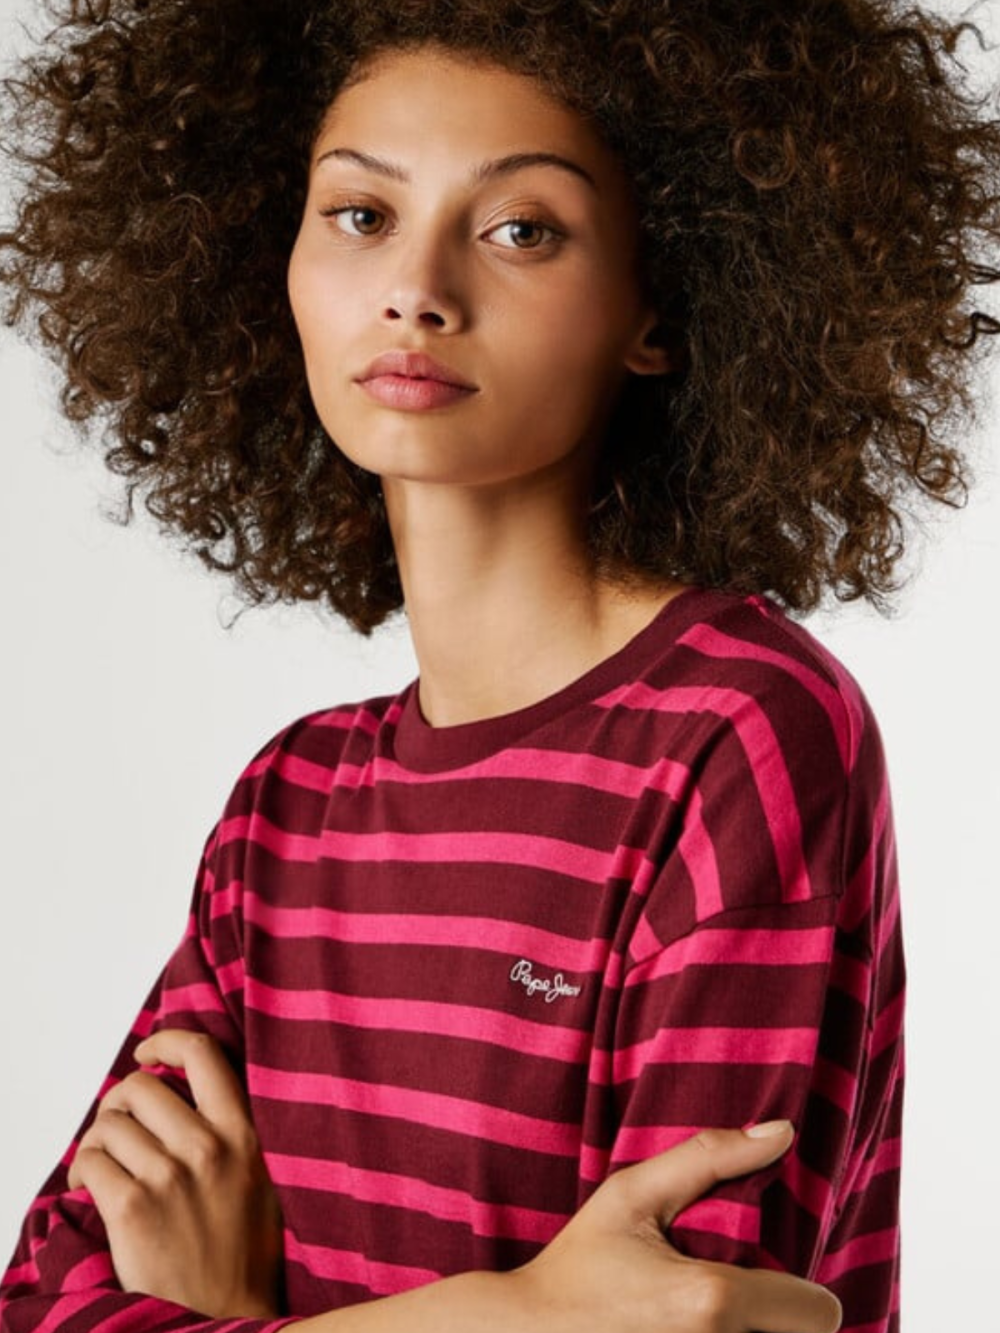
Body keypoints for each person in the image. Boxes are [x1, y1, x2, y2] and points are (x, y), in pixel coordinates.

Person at [1, 2, 998, 1332]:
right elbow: (38, 1301)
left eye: (521, 228)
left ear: (657, 307)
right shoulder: (283, 811)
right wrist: (520, 1310)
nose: (416, 289)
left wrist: (233, 1318)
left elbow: (686, 1317)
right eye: (362, 214)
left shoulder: (737, 737)